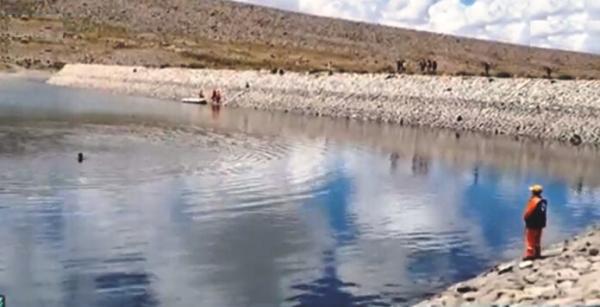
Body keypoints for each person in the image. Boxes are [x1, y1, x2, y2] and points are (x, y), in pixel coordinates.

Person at [523, 184, 548, 260]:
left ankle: (530, 256)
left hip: (532, 225)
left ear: (533, 192)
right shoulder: (543, 201)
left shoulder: (533, 201)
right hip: (540, 224)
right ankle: (537, 254)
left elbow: (527, 213)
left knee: (530, 240)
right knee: (537, 239)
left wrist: (525, 219)